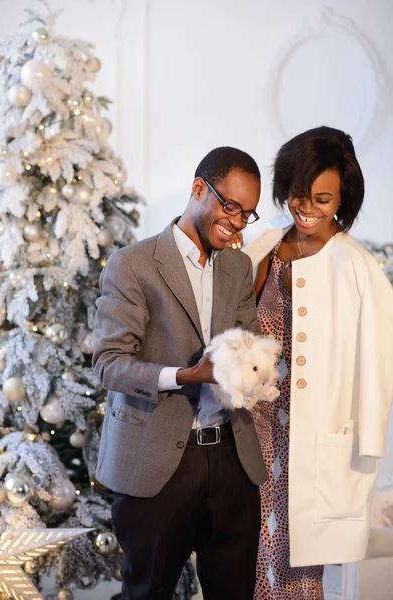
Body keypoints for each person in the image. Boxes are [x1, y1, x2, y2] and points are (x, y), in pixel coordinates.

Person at [92, 147, 267, 600]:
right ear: (197, 189)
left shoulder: (238, 266)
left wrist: (260, 372)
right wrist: (186, 376)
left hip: (232, 460)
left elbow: (248, 344)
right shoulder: (133, 264)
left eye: (247, 214)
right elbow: (109, 363)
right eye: (230, 206)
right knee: (147, 591)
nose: (237, 222)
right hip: (157, 463)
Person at [242, 126, 393, 600]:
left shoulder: (358, 268)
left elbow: (377, 365)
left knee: (296, 563)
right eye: (297, 195)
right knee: (242, 553)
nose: (307, 209)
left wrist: (367, 446)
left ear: (343, 199)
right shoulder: (262, 247)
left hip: (312, 440)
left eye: (323, 199)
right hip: (251, 430)